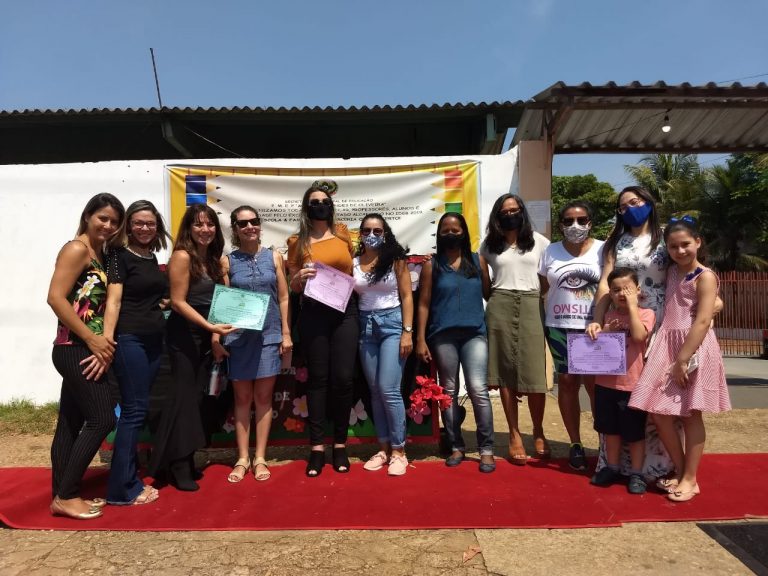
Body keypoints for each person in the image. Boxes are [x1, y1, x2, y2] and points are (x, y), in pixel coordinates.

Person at [629, 217, 731, 502]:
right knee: (660, 412)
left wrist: (683, 360)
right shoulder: (673, 271)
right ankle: (683, 470)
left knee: (690, 414)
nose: (680, 250)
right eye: (673, 246)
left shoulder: (705, 276)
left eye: (685, 244)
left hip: (692, 347)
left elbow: (702, 320)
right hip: (667, 343)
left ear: (698, 242)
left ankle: (690, 478)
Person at [585, 186, 673, 479]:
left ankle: (654, 467)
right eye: (623, 207)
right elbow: (604, 284)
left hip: (658, 320)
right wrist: (598, 319)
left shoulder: (665, 237)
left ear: (648, 202)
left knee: (655, 395)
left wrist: (710, 302)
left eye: (635, 202)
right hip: (620, 321)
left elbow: (685, 271)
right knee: (618, 394)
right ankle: (614, 465)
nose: (629, 209)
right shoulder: (615, 242)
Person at [47, 193, 125, 519]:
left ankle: (61, 492)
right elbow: (55, 298)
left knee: (70, 422)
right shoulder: (76, 249)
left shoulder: (100, 253)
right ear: (88, 216)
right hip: (75, 347)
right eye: (102, 218)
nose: (108, 225)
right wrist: (93, 340)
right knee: (103, 418)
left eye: (114, 221)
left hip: (82, 347)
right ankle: (67, 495)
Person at [148, 203, 235, 491]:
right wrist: (210, 328)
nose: (205, 229)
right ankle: (178, 464)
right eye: (198, 224)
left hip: (207, 337)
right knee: (184, 400)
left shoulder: (214, 260)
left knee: (198, 400)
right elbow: (177, 302)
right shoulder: (182, 256)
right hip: (183, 335)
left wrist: (215, 338)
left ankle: (181, 458)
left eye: (209, 224)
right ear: (188, 228)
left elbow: (222, 302)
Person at [215, 206, 292, 483]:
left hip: (269, 336)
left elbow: (283, 297)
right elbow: (222, 303)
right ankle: (242, 458)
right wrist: (216, 338)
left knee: (263, 399)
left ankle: (259, 457)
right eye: (243, 223)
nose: (250, 227)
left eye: (254, 221)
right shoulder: (226, 262)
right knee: (242, 399)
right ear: (235, 229)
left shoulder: (275, 256)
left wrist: (286, 333)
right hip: (238, 340)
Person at [287, 180, 358, 477]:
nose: (320, 206)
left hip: (345, 312)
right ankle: (317, 447)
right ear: (306, 208)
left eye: (325, 202)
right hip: (314, 314)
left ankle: (340, 445)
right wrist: (299, 278)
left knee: (343, 379)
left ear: (331, 206)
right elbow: (292, 286)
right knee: (318, 380)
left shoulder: (343, 234)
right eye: (314, 202)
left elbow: (356, 268)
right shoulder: (296, 242)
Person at [416, 212, 495, 473]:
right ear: (439, 234)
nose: (451, 234)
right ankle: (456, 446)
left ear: (464, 232)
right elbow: (424, 304)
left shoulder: (478, 260)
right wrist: (420, 338)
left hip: (474, 334)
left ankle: (486, 449)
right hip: (442, 336)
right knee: (448, 391)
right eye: (446, 230)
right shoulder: (432, 265)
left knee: (478, 390)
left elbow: (489, 293)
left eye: (456, 229)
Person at [103, 200, 170, 506]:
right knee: (133, 411)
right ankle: (122, 489)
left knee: (137, 410)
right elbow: (114, 301)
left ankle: (129, 477)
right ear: (128, 225)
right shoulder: (119, 256)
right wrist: (107, 339)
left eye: (150, 223)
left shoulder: (149, 256)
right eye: (139, 223)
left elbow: (149, 295)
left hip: (153, 340)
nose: (145, 228)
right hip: (130, 338)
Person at [479, 194, 548, 466]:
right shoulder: (489, 245)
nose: (511, 214)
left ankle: (538, 430)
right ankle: (514, 433)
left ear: (522, 211)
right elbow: (485, 283)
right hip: (500, 304)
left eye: (515, 209)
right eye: (505, 211)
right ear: (497, 216)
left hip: (531, 303)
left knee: (535, 372)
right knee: (505, 371)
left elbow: (546, 281)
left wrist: (533, 297)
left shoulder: (540, 242)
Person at [538, 200, 603, 470]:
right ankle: (575, 443)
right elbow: (542, 286)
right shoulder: (550, 251)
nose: (575, 225)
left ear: (590, 222)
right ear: (561, 225)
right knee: (566, 382)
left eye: (581, 219)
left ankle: (605, 443)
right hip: (559, 325)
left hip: (593, 327)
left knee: (595, 386)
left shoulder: (603, 250)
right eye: (568, 221)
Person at [353, 213, 413, 476]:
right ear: (360, 234)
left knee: (389, 389)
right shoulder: (353, 263)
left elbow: (407, 296)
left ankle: (399, 451)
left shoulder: (396, 260)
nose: (372, 235)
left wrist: (407, 332)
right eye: (367, 230)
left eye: (377, 231)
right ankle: (383, 448)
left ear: (385, 233)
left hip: (393, 325)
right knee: (375, 391)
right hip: (365, 326)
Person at [589, 268, 655, 494]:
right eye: (616, 290)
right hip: (605, 384)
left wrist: (633, 307)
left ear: (638, 290)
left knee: (634, 433)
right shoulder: (607, 317)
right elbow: (595, 343)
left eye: (627, 289)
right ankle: (612, 467)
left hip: (631, 386)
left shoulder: (646, 314)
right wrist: (603, 329)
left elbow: (638, 336)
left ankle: (636, 473)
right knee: (610, 430)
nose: (622, 294)